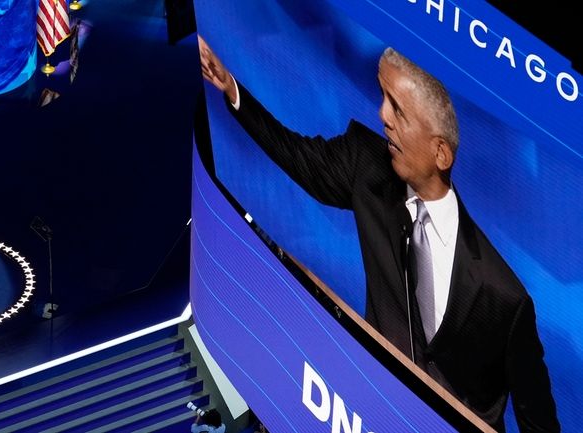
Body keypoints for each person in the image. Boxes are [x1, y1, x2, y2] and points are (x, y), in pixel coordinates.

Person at [198, 35, 559, 433]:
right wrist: (231, 88)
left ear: (441, 153)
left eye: (398, 110)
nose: (382, 114)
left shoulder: (504, 296)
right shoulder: (367, 167)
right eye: (383, 96)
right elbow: (297, 157)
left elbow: (538, 421)